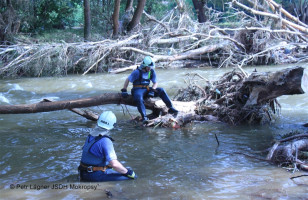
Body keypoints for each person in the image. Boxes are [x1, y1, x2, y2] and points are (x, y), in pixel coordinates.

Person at [78, 111, 136, 182]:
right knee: (133, 177)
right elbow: (114, 164)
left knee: (111, 169)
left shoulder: (91, 135)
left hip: (83, 173)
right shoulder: (105, 140)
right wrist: (128, 172)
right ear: (113, 125)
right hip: (94, 176)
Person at [121, 56, 178, 123]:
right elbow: (128, 79)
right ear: (144, 66)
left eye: (151, 67)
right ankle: (144, 117)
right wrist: (124, 89)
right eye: (148, 67)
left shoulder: (151, 71)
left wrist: (152, 90)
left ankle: (171, 108)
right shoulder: (137, 72)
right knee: (139, 98)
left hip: (147, 89)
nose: (149, 68)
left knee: (161, 90)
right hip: (137, 90)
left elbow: (155, 82)